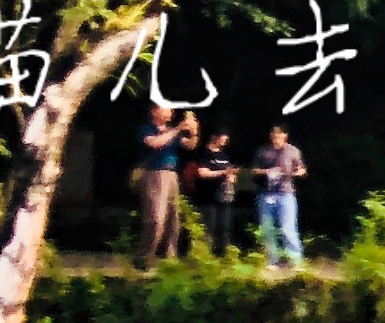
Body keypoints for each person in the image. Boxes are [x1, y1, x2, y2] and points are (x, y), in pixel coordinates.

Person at [130, 97, 190, 268]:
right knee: (156, 217)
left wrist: (193, 132)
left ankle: (171, 257)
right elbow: (155, 143)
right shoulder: (146, 129)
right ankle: (143, 256)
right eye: (166, 108)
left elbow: (190, 145)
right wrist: (178, 128)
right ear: (154, 111)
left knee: (173, 218)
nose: (170, 112)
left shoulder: (173, 131)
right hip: (154, 174)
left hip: (171, 175)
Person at [253, 123, 310, 267]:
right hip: (266, 193)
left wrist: (292, 173)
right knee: (267, 228)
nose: (276, 137)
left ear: (285, 136)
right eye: (274, 134)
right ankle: (272, 260)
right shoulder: (263, 151)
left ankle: (295, 260)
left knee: (288, 228)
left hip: (286, 193)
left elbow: (302, 169)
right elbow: (254, 170)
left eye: (279, 135)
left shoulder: (292, 151)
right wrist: (268, 172)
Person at [190, 128, 243, 257]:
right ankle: (204, 256)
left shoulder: (224, 154)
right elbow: (202, 173)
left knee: (224, 227)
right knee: (209, 226)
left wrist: (232, 177)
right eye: (223, 136)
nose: (225, 139)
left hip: (224, 196)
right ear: (214, 137)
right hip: (208, 196)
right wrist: (223, 173)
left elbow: (229, 172)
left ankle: (223, 256)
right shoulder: (204, 153)